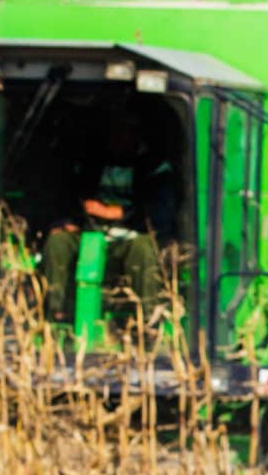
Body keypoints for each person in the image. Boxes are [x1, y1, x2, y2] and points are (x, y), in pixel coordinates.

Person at [40, 118, 175, 336]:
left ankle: (150, 322)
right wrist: (66, 221)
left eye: (125, 133)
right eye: (114, 133)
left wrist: (117, 213)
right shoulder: (89, 164)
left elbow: (160, 213)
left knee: (144, 248)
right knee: (58, 242)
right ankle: (55, 316)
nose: (118, 139)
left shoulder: (156, 168)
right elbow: (66, 197)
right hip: (91, 235)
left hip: (130, 240)